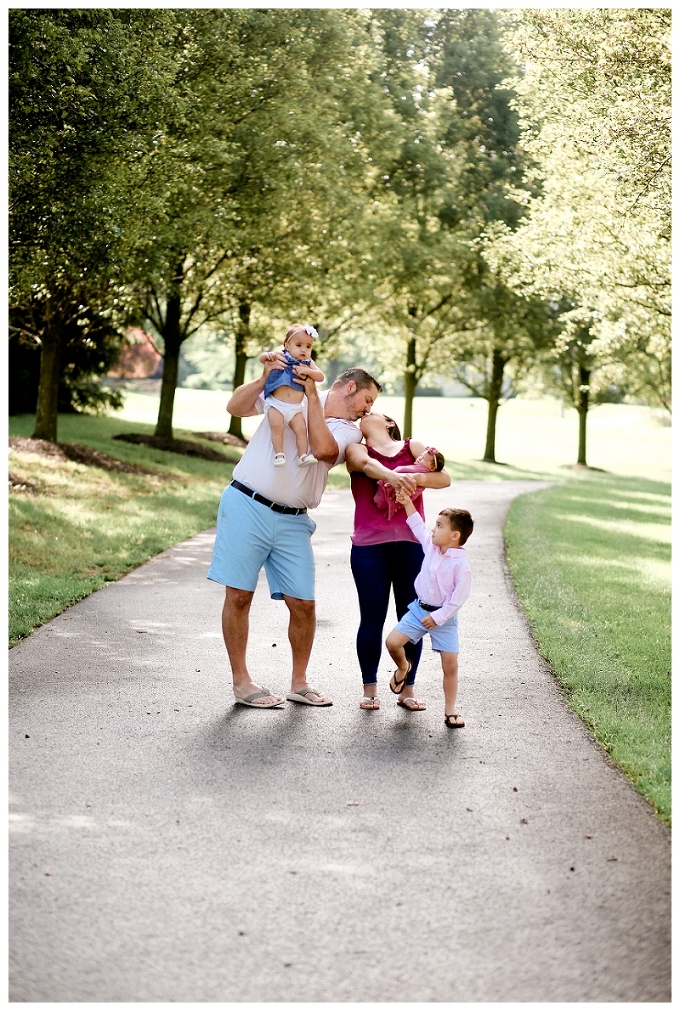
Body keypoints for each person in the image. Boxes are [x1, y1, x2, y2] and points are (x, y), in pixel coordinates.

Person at [208, 360, 382, 709]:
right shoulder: (287, 392)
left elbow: (324, 450)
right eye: (367, 400)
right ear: (350, 387)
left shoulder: (349, 430)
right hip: (247, 503)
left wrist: (312, 393)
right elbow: (235, 408)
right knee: (239, 596)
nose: (368, 410)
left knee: (303, 604)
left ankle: (298, 683)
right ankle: (242, 682)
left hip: (293, 521)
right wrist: (265, 378)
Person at [345, 413, 451, 712]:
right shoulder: (357, 448)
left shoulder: (412, 447)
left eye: (372, 411)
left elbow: (444, 477)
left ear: (390, 422)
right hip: (368, 547)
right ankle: (369, 690)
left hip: (413, 545)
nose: (364, 414)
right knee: (371, 618)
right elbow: (365, 466)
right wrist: (394, 476)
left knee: (413, 619)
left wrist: (412, 477)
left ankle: (407, 690)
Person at [385, 490, 473, 727]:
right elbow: (418, 526)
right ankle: (404, 667)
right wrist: (406, 503)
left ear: (454, 535)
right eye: (435, 524)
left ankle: (450, 709)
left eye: (440, 526)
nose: (433, 529)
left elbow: (458, 598)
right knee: (392, 643)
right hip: (418, 610)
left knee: (450, 664)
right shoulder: (431, 547)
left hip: (444, 617)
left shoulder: (461, 565)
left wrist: (439, 617)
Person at [259, 323, 325, 468]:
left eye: (308, 346)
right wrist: (267, 355)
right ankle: (279, 454)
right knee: (277, 428)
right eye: (299, 345)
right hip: (276, 404)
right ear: (287, 345)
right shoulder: (280, 355)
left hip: (295, 408)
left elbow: (320, 376)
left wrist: (307, 371)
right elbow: (262, 358)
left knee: (301, 430)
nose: (304, 349)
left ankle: (302, 456)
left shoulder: (308, 363)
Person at [373, 446, 446, 521]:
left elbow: (402, 471)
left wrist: (390, 475)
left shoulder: (421, 470)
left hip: (389, 494)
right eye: (421, 456)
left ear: (432, 468)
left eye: (424, 459)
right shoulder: (420, 469)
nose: (420, 458)